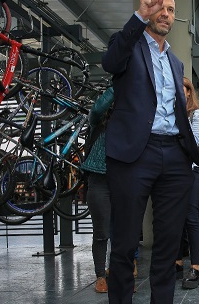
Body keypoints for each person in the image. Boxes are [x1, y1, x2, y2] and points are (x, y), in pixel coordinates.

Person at [102, 0, 199, 304]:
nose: (166, 13)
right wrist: (138, 16)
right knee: (125, 243)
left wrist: (188, 153)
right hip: (134, 154)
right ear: (149, 10)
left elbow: (176, 108)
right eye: (160, 6)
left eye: (171, 9)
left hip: (173, 155)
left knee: (169, 245)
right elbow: (110, 62)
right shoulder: (128, 44)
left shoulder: (175, 62)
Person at [81, 86, 115, 294]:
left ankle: (120, 273)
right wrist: (116, 86)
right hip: (99, 180)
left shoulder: (130, 123)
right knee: (101, 233)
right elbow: (97, 109)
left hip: (123, 181)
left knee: (123, 232)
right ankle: (100, 275)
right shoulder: (99, 122)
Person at [176, 76, 199, 290]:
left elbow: (192, 143)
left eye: (184, 88)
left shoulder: (196, 114)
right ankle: (176, 262)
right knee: (171, 219)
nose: (180, 91)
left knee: (191, 217)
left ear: (189, 92)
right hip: (168, 174)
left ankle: (196, 266)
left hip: (190, 171)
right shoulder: (167, 111)